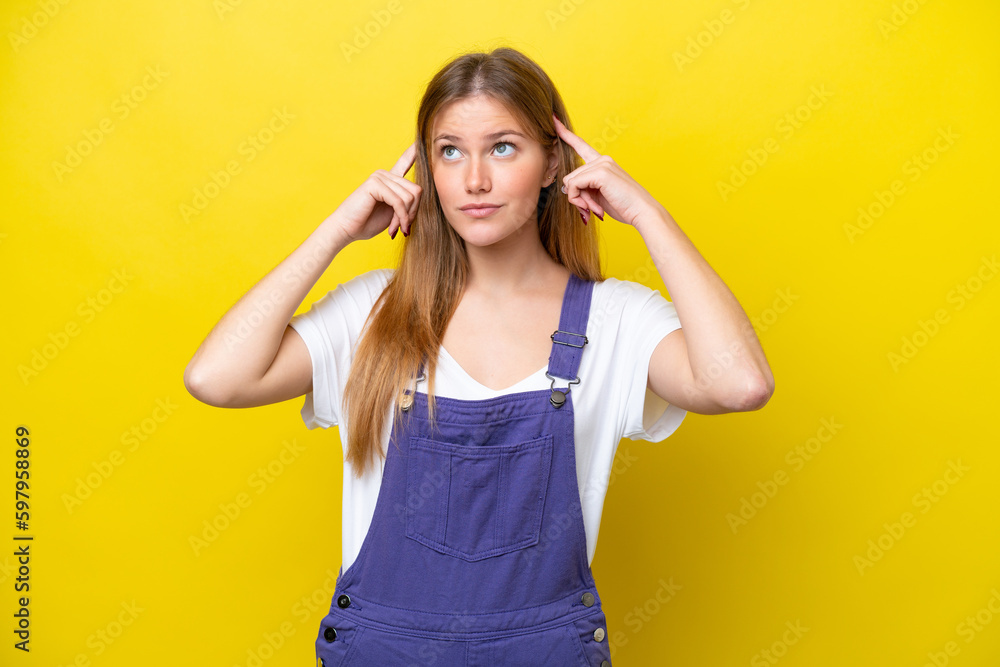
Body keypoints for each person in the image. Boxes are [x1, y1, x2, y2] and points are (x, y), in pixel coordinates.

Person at [184, 46, 773, 666]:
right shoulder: (374, 314)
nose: (474, 181)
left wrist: (649, 215)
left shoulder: (616, 319)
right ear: (429, 170)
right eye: (450, 151)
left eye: (503, 147)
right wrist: (334, 231)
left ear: (552, 164)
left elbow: (739, 384)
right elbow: (216, 378)